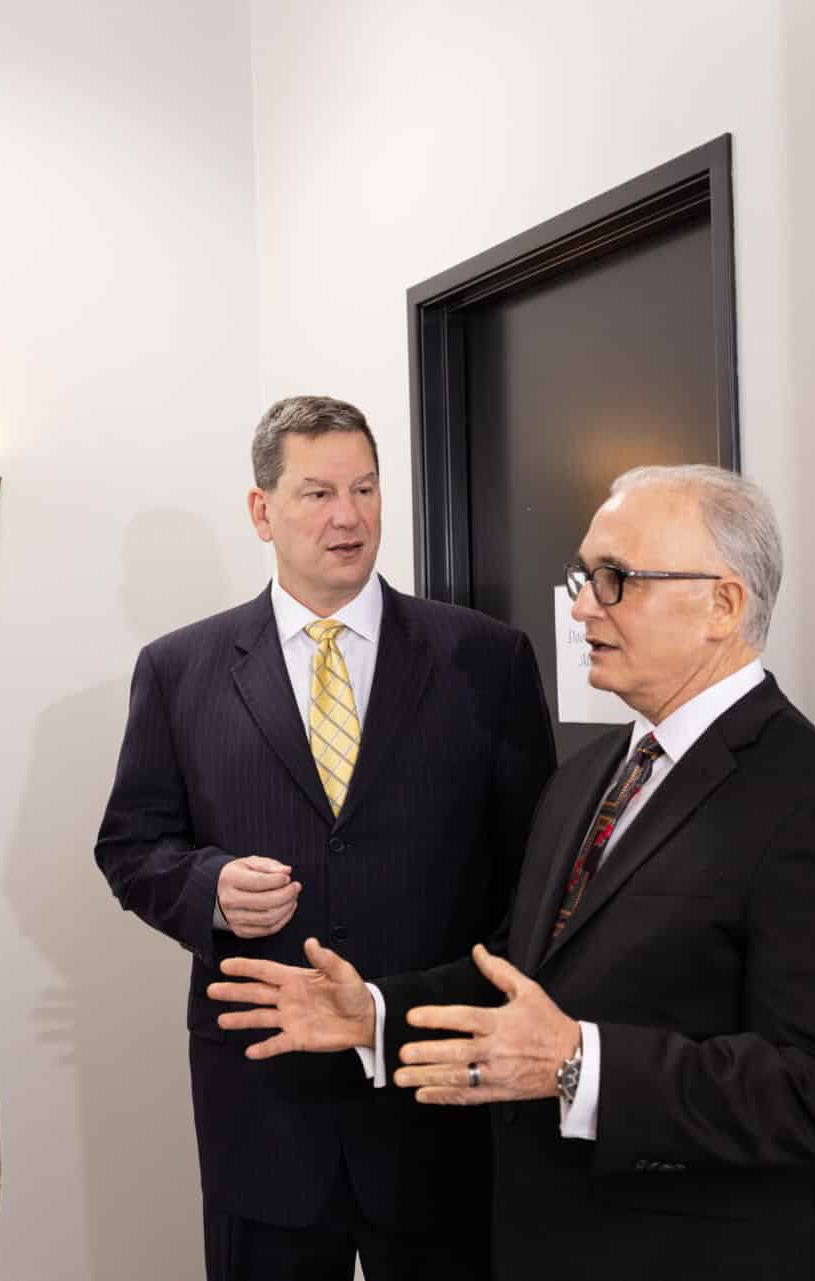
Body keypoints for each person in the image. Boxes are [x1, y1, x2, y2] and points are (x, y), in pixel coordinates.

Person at [209, 464, 815, 1279]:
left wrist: (578, 1064)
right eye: (585, 577)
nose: (581, 607)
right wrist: (373, 1011)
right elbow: (520, 976)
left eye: (616, 579)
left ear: (722, 605)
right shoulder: (586, 775)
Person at [94, 396, 557, 1279]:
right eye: (317, 493)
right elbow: (129, 845)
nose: (348, 516)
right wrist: (207, 888)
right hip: (261, 1098)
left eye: (365, 489)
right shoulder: (180, 668)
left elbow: (533, 872)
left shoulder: (487, 658)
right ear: (261, 510)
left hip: (434, 1083)